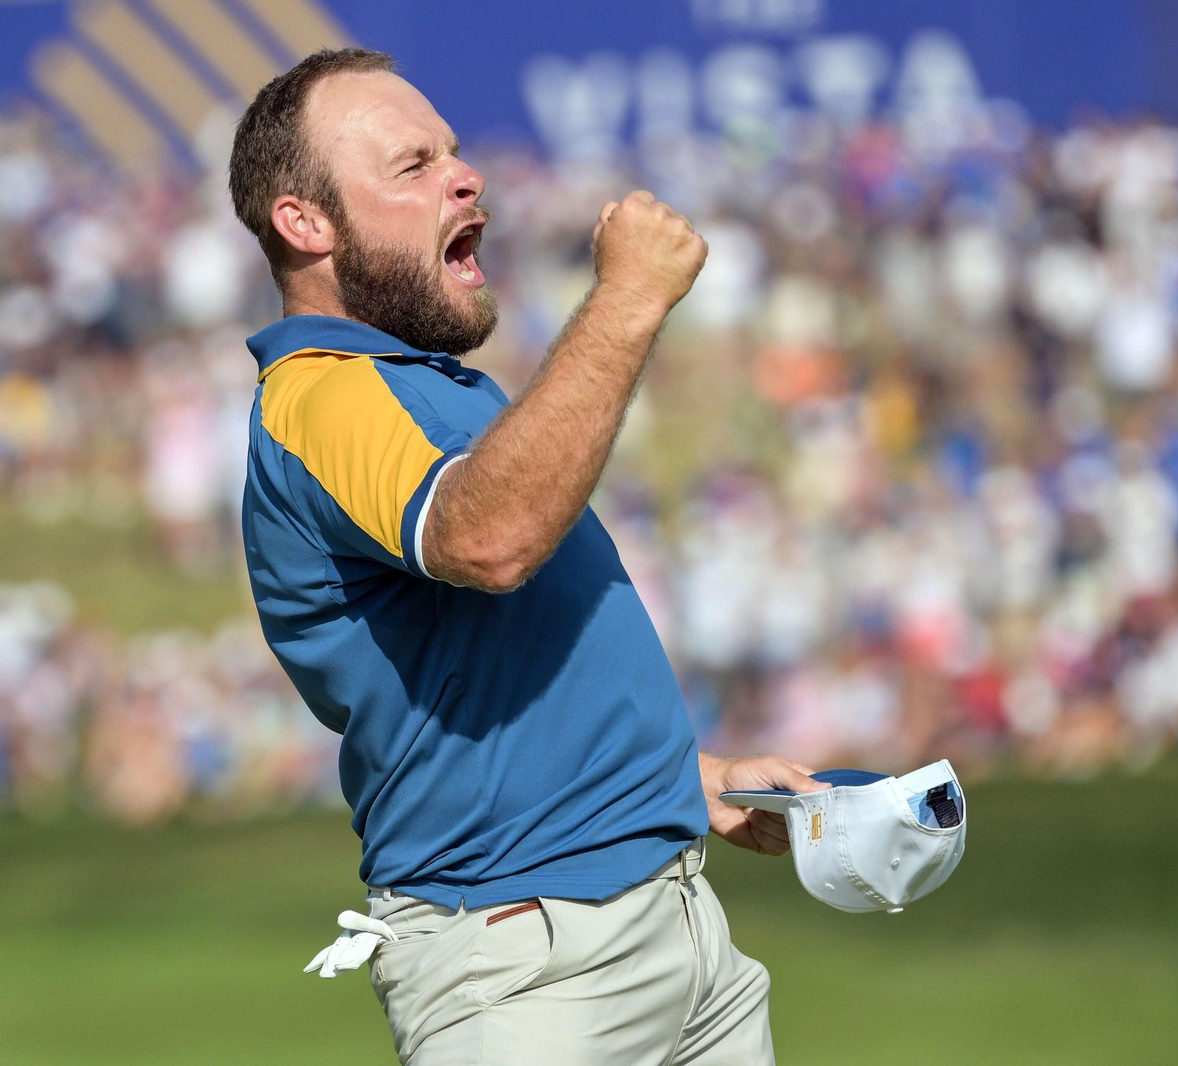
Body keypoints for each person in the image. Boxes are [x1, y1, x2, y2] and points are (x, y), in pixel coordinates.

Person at [227, 48, 824, 1065]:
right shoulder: (321, 394)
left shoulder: (433, 387)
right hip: (526, 970)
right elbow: (489, 541)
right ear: (305, 223)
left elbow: (498, 675)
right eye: (412, 166)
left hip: (664, 939)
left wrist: (688, 776)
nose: (465, 178)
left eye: (453, 153)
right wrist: (628, 299)